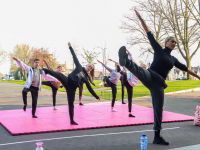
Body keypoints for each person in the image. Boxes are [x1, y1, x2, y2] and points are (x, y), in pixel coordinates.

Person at [118, 10, 200, 145]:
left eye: (175, 42)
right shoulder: (158, 49)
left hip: (159, 84)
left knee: (158, 110)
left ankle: (157, 137)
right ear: (166, 42)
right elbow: (148, 33)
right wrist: (140, 18)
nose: (174, 43)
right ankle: (126, 61)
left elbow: (187, 69)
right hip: (151, 75)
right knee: (140, 70)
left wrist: (198, 76)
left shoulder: (173, 59)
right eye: (172, 41)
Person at [42, 42, 100, 125]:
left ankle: (72, 120)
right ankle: (46, 70)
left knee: (71, 103)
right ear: (86, 65)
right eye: (89, 66)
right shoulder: (79, 67)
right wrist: (70, 47)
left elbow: (90, 88)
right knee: (60, 75)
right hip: (67, 80)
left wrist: (96, 96)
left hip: (72, 88)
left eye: (91, 69)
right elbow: (74, 56)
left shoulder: (86, 78)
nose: (90, 68)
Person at [108, 53, 143, 117]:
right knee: (125, 74)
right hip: (126, 81)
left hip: (130, 86)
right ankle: (119, 71)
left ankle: (130, 113)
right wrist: (128, 53)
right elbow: (131, 60)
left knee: (130, 99)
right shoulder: (134, 69)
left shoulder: (142, 76)